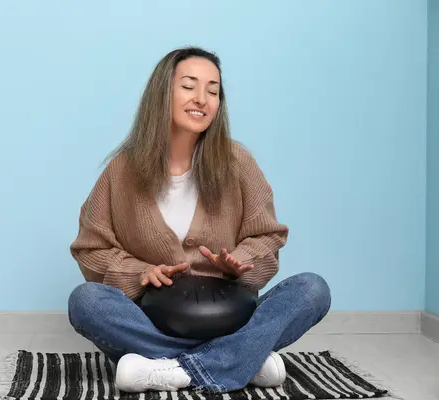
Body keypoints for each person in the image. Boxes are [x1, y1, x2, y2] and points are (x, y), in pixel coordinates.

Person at [67, 47, 331, 394]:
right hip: (154, 318)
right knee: (84, 300)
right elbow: (91, 246)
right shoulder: (123, 169)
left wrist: (242, 262)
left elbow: (267, 236)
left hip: (231, 317)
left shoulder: (238, 162)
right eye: (189, 86)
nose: (202, 99)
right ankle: (241, 360)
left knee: (313, 289)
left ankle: (174, 368)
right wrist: (140, 272)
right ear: (163, 93)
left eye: (213, 89)